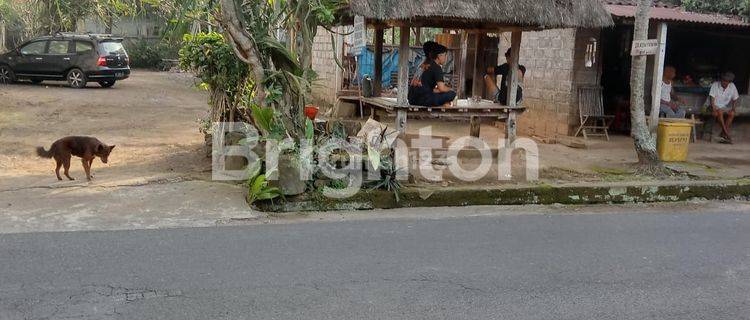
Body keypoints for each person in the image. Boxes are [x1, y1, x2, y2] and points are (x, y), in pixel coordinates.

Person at [407, 43, 456, 107]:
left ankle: (444, 103)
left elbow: (429, 88)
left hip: (412, 99)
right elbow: (441, 88)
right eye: (445, 55)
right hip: (423, 100)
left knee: (438, 94)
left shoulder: (422, 64)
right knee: (452, 94)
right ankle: (444, 104)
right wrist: (450, 89)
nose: (446, 58)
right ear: (439, 56)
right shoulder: (436, 67)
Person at [709, 72, 740, 143]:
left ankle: (723, 133)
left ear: (729, 82)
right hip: (712, 105)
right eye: (723, 80)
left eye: (726, 81)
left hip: (723, 107)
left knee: (732, 113)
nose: (724, 82)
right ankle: (726, 134)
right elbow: (712, 99)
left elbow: (735, 98)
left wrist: (733, 108)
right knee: (719, 112)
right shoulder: (715, 85)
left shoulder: (732, 86)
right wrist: (714, 110)